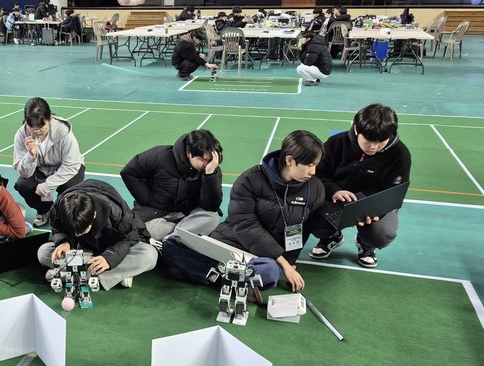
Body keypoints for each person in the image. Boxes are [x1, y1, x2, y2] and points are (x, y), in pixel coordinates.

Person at [163, 130, 326, 294]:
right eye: (309, 165)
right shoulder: (250, 179)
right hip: (230, 243)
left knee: (270, 272)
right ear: (289, 160)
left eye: (316, 165)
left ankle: (206, 274)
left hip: (262, 257)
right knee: (172, 244)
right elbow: (245, 225)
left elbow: (301, 229)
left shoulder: (315, 188)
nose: (313, 172)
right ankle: (229, 281)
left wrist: (289, 262)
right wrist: (283, 263)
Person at [309, 104, 411, 268]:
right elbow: (318, 174)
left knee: (383, 233)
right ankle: (331, 237)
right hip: (336, 200)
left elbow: (393, 192)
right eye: (368, 141)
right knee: (309, 216)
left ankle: (366, 245)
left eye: (380, 142)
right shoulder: (335, 143)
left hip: (373, 204)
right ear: (356, 130)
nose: (373, 147)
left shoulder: (400, 154)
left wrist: (377, 209)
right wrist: (334, 191)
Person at [37, 180, 158, 290]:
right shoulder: (58, 209)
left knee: (149, 255)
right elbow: (57, 229)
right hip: (83, 250)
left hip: (112, 248)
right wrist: (64, 241)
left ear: (94, 215)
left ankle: (73, 274)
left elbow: (130, 237)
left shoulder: (115, 211)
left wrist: (109, 258)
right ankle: (110, 275)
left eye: (83, 230)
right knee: (43, 252)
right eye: (74, 231)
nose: (77, 234)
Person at [120, 129, 223, 242]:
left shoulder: (211, 168)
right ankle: (180, 236)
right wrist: (147, 199)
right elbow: (129, 172)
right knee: (132, 231)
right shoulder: (159, 156)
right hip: (154, 213)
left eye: (210, 160)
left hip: (186, 214)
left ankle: (172, 239)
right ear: (189, 153)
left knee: (212, 218)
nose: (206, 164)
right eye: (202, 160)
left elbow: (210, 206)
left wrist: (209, 175)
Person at [13, 97, 85, 226]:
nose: (36, 131)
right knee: (23, 185)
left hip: (67, 167)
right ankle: (44, 210)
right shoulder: (21, 135)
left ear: (49, 119)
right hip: (40, 168)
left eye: (41, 126)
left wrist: (46, 186)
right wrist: (31, 156)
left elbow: (71, 165)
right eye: (32, 127)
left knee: (70, 189)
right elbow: (23, 173)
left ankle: (61, 213)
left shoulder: (63, 132)